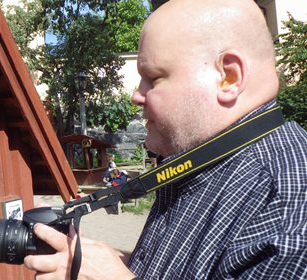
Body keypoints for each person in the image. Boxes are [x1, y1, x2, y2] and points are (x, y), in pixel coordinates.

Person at [24, 0, 307, 279]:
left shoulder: (287, 209)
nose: (136, 94)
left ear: (228, 77)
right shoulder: (203, 161)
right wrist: (104, 265)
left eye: (154, 77)